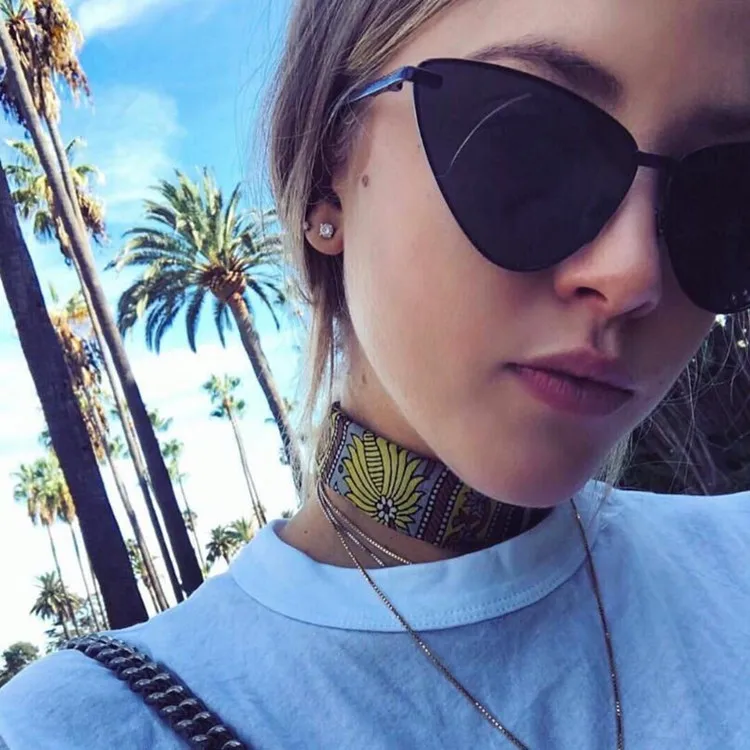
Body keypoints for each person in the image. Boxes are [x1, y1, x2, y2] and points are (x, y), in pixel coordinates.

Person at [2, 0, 750, 747]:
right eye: (529, 145)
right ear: (327, 177)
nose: (633, 275)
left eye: (728, 192)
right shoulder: (90, 727)